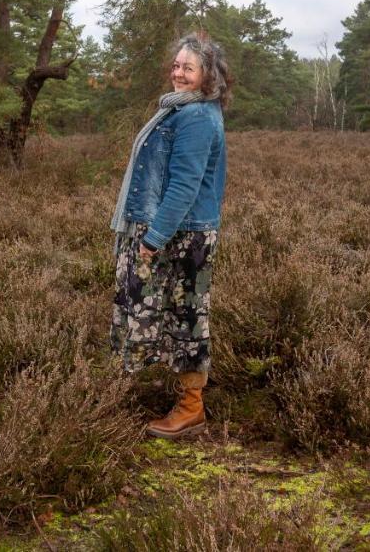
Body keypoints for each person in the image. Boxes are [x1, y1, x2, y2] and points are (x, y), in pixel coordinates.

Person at [108, 31, 231, 439]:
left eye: (188, 68)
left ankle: (191, 408)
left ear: (207, 76)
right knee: (177, 316)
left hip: (184, 234)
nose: (178, 73)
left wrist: (153, 237)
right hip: (176, 229)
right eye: (176, 65)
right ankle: (180, 395)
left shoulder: (196, 117)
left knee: (188, 318)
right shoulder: (181, 110)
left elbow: (184, 186)